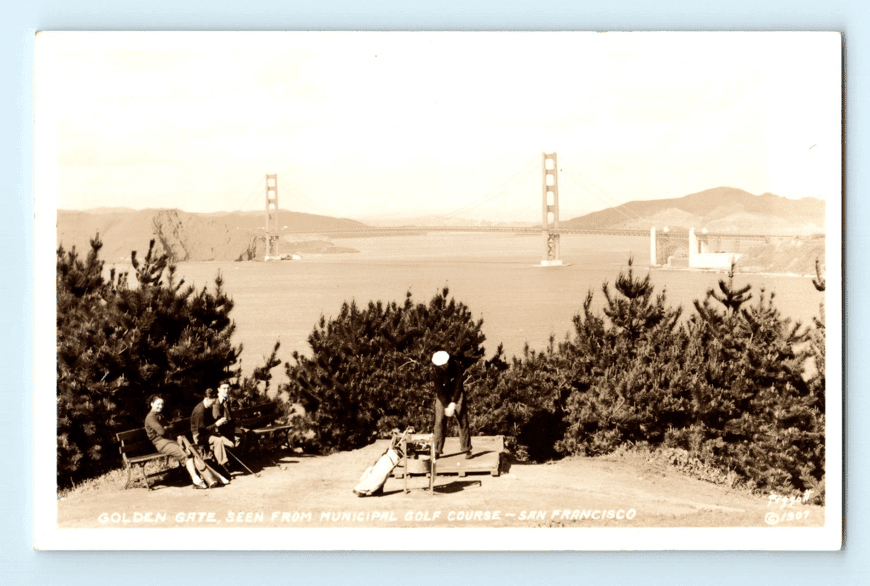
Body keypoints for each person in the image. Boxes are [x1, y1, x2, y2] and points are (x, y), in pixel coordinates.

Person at [144, 394, 208, 489]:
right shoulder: (151, 417)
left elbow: (171, 427)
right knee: (186, 455)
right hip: (161, 443)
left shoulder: (159, 415)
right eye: (158, 404)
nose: (160, 406)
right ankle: (196, 480)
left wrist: (166, 428)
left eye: (162, 404)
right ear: (152, 403)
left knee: (189, 451)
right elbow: (161, 431)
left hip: (168, 440)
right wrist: (166, 428)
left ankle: (200, 477)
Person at [431, 350, 472, 459]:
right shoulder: (435, 372)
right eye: (440, 365)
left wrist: (454, 402)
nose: (443, 367)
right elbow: (439, 391)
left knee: (462, 420)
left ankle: (466, 449)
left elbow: (459, 386)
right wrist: (446, 404)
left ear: (447, 361)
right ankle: (437, 450)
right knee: (439, 421)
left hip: (456, 393)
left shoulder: (457, 367)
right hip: (443, 396)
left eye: (444, 364)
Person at [191, 388, 234, 478]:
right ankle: (223, 466)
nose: (214, 404)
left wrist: (219, 421)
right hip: (199, 436)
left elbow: (210, 423)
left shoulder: (208, 407)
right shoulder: (200, 411)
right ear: (207, 399)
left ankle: (223, 463)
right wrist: (216, 424)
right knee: (218, 441)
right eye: (213, 402)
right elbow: (201, 431)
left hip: (207, 433)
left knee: (230, 444)